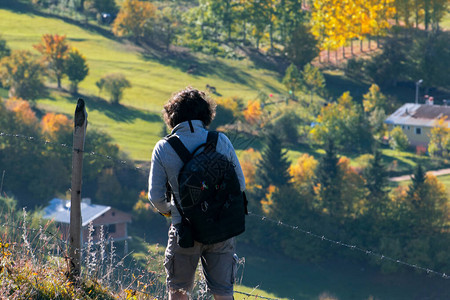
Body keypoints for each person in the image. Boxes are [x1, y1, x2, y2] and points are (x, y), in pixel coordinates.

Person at [148, 87, 246, 300]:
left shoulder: (163, 148)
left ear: (172, 116)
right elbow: (240, 185)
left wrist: (172, 211)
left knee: (179, 291)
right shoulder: (221, 141)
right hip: (221, 229)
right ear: (206, 114)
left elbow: (155, 197)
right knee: (223, 293)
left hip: (185, 230)